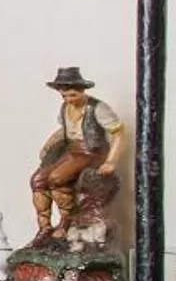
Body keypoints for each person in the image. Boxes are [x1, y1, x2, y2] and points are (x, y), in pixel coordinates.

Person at [29, 67, 126, 243]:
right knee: (38, 180)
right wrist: (49, 143)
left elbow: (118, 133)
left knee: (57, 178)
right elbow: (64, 130)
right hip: (72, 151)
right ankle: (44, 228)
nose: (68, 99)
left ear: (81, 90)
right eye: (64, 95)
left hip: (92, 152)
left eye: (72, 95)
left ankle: (66, 222)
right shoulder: (65, 107)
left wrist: (111, 161)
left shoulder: (98, 108)